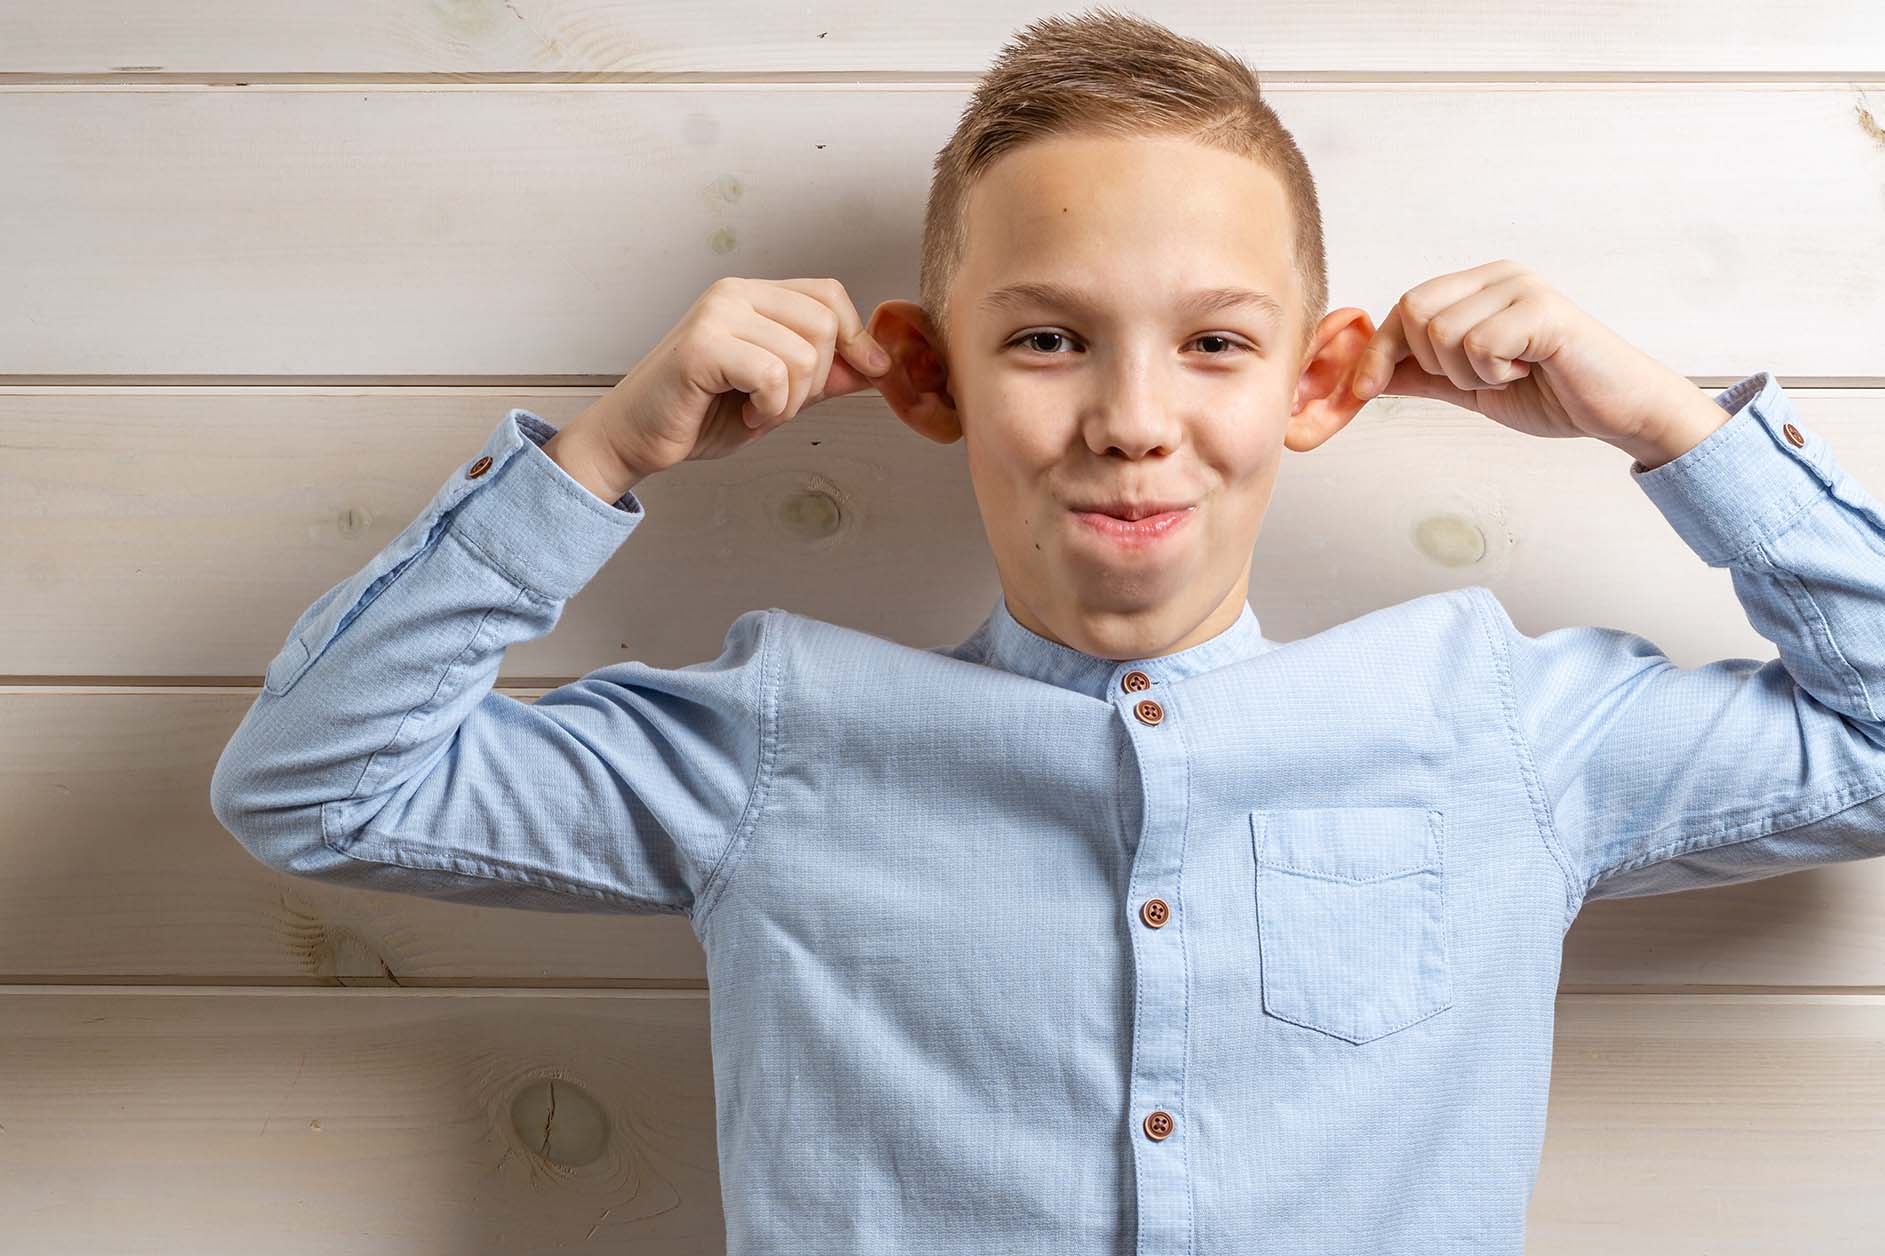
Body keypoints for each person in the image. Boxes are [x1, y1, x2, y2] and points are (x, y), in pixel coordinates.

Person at [209, 9, 1885, 1253]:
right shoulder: (772, 749)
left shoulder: (1499, 730)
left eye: (1215, 344)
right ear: (930, 378)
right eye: (1047, 342)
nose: (1132, 419)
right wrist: (600, 456)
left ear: (1315, 383)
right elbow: (317, 788)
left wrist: (1671, 426)